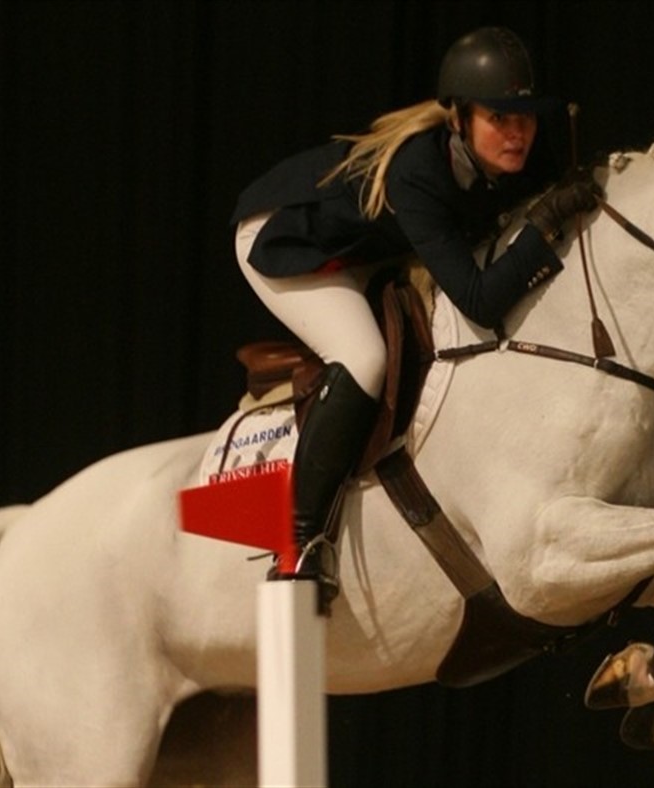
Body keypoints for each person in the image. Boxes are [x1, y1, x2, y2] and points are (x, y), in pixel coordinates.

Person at [230, 26, 599, 603]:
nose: (517, 132)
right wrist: (545, 225)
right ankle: (297, 546)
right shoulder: (418, 169)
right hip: (286, 241)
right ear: (460, 117)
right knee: (364, 357)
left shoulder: (512, 153)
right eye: (500, 118)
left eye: (525, 118)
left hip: (363, 247)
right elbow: (480, 300)